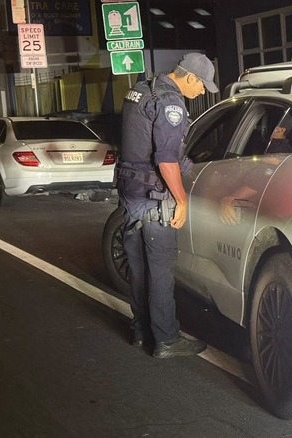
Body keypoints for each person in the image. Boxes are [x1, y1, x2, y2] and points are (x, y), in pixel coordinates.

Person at [116, 53, 218, 358]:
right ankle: (166, 339)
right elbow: (165, 159)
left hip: (131, 191)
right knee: (160, 268)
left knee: (139, 267)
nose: (202, 92)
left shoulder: (142, 89)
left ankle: (141, 332)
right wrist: (182, 199)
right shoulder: (171, 101)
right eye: (202, 85)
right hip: (153, 197)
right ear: (190, 77)